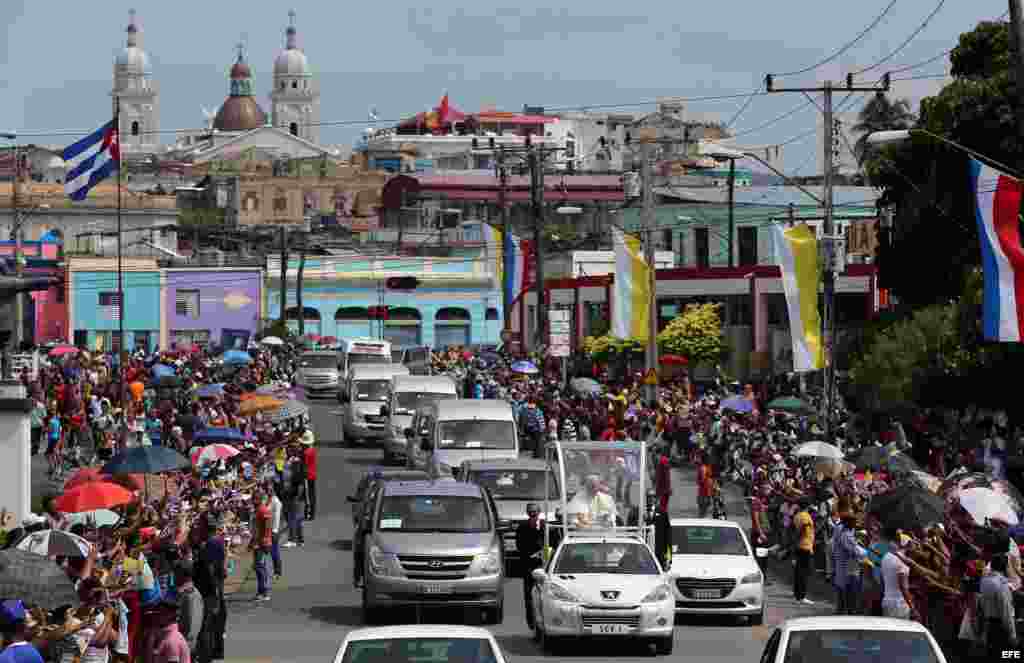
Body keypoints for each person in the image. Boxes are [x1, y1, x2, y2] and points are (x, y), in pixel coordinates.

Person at [979, 554, 1018, 658]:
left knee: (993, 655)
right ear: (1004, 567)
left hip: (989, 625)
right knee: (1007, 655)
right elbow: (1006, 612)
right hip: (1001, 628)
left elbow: (982, 604)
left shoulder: (984, 580)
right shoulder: (1002, 584)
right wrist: (1012, 634)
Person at [515, 503, 545, 630]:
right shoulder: (522, 527)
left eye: (535, 511)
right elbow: (520, 546)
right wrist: (530, 555)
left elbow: (552, 543)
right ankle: (532, 622)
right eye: (531, 511)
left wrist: (543, 553)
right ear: (527, 513)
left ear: (539, 512)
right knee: (529, 594)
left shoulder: (546, 526)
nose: (533, 513)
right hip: (528, 565)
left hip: (544, 564)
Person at [879, 527, 915, 619]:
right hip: (900, 605)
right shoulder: (903, 562)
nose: (913, 547)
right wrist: (912, 608)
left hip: (886, 602)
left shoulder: (885, 557)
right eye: (911, 543)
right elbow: (903, 587)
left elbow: (882, 579)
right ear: (906, 545)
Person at [175, 561, 206, 663]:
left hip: (185, 646)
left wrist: (185, 646)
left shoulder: (191, 596)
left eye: (176, 572)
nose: (174, 575)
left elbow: (192, 625)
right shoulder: (183, 592)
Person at [252, 490, 273, 601]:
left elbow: (267, 525)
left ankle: (265, 591)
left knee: (260, 567)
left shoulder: (263, 510)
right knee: (258, 567)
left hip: (262, 544)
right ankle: (261, 591)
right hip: (258, 542)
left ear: (259, 499)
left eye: (255, 498)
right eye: (253, 498)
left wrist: (265, 540)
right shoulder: (257, 510)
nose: (253, 500)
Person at [792, 499, 815, 605]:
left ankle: (797, 593)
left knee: (798, 571)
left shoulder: (797, 515)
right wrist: (799, 537)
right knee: (804, 572)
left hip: (799, 545)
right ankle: (801, 596)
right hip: (805, 545)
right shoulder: (805, 516)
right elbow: (804, 528)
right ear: (807, 506)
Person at [302, 428, 317, 520]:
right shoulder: (312, 450)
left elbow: (304, 465)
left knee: (307, 495)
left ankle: (309, 513)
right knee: (312, 494)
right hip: (312, 474)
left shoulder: (306, 453)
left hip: (307, 475)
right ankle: (312, 513)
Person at [269, 485, 283, 579]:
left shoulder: (276, 502)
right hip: (271, 529)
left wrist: (275, 530)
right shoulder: (271, 500)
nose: (268, 491)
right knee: (272, 552)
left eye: (270, 490)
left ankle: (277, 571)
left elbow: (277, 517)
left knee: (274, 552)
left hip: (274, 530)